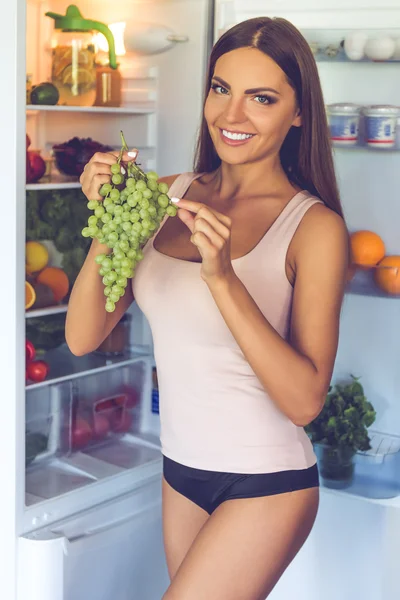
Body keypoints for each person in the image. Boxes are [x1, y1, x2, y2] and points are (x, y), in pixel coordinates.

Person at [66, 16, 348, 600]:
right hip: (181, 469)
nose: (231, 115)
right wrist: (107, 224)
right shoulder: (166, 194)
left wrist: (222, 276)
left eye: (261, 98)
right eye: (221, 89)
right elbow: (82, 336)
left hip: (268, 481)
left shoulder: (314, 228)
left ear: (298, 113)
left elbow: (304, 401)